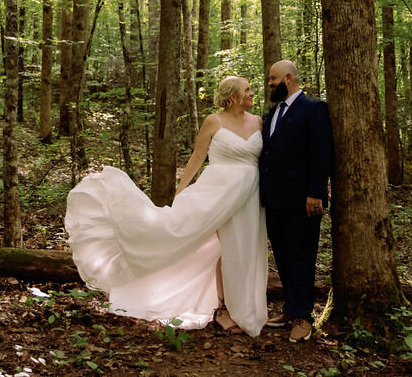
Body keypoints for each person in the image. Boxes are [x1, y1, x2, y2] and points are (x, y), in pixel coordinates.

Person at [64, 76, 268, 336]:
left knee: (246, 249)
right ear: (233, 96)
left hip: (250, 195)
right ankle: (224, 309)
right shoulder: (213, 121)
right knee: (223, 247)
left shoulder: (259, 122)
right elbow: (197, 156)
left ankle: (246, 307)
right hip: (217, 193)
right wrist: (181, 190)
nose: (252, 93)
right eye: (247, 89)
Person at [259, 60, 334, 343]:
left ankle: (303, 317)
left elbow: (321, 153)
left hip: (303, 200)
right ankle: (290, 309)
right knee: (282, 256)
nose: (269, 84)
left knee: (301, 256)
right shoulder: (273, 111)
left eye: (272, 79)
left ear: (288, 78)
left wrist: (316, 192)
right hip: (273, 198)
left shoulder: (314, 109)